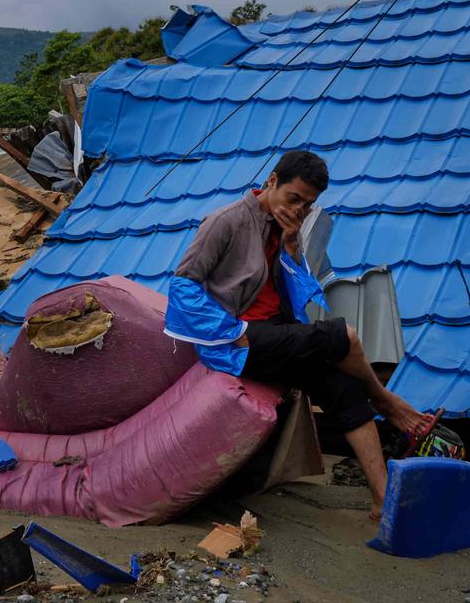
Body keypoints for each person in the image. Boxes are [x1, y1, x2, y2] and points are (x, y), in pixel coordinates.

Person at [163, 150, 430, 521]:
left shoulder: (285, 228)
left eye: (308, 204)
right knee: (344, 335)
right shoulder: (225, 221)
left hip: (274, 333)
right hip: (237, 340)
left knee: (343, 386)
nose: (300, 210)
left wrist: (291, 246)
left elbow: (296, 298)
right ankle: (384, 399)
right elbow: (182, 286)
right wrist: (231, 330)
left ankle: (381, 499)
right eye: (294, 198)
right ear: (271, 181)